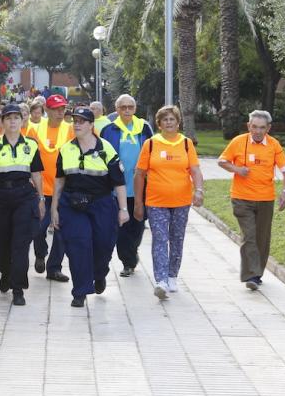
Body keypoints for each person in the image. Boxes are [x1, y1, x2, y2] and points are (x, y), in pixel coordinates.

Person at [51, 107, 129, 307]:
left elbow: (119, 182)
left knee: (103, 244)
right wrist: (54, 208)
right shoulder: (66, 149)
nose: (76, 124)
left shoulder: (106, 149)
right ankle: (80, 291)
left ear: (91, 125)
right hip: (72, 204)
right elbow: (59, 181)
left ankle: (99, 274)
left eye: (81, 121)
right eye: (75, 121)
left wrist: (123, 210)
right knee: (78, 244)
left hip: (102, 204)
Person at [0, 104, 46, 306]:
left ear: (22, 121)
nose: (13, 121)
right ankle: (5, 271)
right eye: (8, 118)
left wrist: (41, 199)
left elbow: (36, 174)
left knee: (20, 244)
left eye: (16, 117)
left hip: (24, 197)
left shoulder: (31, 144)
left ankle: (18, 289)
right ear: (2, 121)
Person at [133, 106, 204, 299]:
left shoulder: (186, 144)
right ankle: (161, 280)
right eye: (165, 120)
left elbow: (195, 170)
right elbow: (139, 174)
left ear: (178, 122)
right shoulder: (150, 144)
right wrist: (138, 202)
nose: (169, 122)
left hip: (181, 201)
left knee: (177, 238)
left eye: (172, 119)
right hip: (156, 201)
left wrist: (199, 190)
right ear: (159, 124)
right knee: (160, 239)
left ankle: (172, 275)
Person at [218, 110, 285, 290]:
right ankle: (251, 275)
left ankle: (257, 274)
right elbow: (222, 161)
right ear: (248, 126)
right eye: (254, 127)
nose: (258, 131)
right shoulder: (238, 142)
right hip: (241, 198)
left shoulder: (274, 145)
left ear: (268, 128)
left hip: (266, 199)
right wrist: (237, 170)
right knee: (249, 236)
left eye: (262, 128)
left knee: (262, 238)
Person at [99, 94, 153, 277]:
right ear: (117, 109)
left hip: (140, 186)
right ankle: (128, 262)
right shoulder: (109, 129)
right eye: (123, 107)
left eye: (130, 107)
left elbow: (152, 150)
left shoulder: (144, 128)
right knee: (121, 227)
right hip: (117, 188)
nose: (127, 110)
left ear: (135, 109)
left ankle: (132, 251)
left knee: (137, 225)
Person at [28, 94, 75, 283]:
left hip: (63, 189)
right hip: (40, 189)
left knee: (61, 229)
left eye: (63, 108)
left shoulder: (71, 129)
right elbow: (28, 157)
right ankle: (40, 253)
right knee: (38, 228)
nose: (60, 112)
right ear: (46, 110)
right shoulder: (34, 130)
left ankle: (54, 268)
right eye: (56, 109)